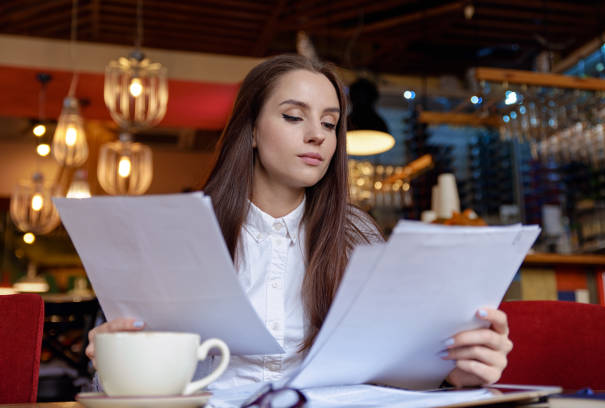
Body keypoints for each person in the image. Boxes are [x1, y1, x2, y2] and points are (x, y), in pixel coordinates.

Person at [86, 54, 513, 391]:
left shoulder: (357, 236)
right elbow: (118, 382)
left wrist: (453, 369)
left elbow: (389, 369)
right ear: (250, 130)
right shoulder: (178, 234)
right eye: (294, 116)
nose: (318, 135)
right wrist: (112, 360)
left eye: (330, 123)